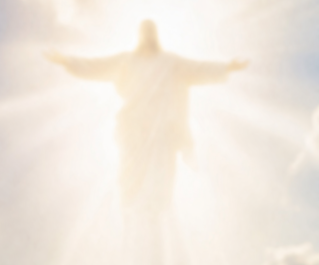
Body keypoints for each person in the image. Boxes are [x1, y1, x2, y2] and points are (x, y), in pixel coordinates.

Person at [46, 20, 248, 212]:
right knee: (131, 173)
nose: (148, 34)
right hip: (134, 124)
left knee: (160, 171)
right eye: (145, 31)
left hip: (162, 126)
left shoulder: (170, 61)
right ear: (139, 35)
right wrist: (67, 61)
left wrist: (228, 66)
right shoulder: (126, 60)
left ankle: (157, 209)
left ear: (156, 34)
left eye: (151, 30)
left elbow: (199, 68)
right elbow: (97, 66)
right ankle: (133, 211)